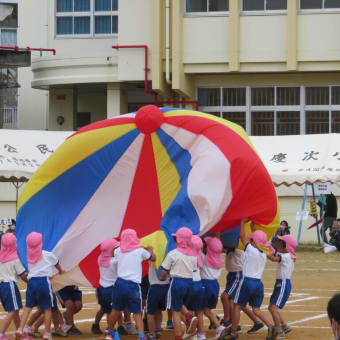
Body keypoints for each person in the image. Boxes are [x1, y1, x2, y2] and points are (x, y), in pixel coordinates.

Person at [226, 219, 276, 340]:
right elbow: (258, 241)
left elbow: (242, 236)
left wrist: (242, 222)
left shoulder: (250, 249)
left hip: (247, 281)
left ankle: (233, 332)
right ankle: (270, 326)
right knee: (256, 309)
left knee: (237, 306)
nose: (250, 240)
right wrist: (253, 228)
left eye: (252, 239)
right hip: (258, 284)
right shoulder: (264, 254)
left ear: (253, 242)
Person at [107, 229, 155, 340]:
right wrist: (151, 251)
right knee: (137, 312)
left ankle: (109, 332)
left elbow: (113, 253)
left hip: (119, 284)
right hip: (133, 286)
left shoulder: (118, 250)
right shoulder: (140, 251)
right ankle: (141, 335)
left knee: (115, 310)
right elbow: (152, 258)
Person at [15, 232, 64, 340]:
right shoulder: (47, 254)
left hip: (31, 282)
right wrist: (60, 271)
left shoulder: (29, 256)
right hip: (44, 283)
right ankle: (47, 333)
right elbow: (56, 263)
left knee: (28, 307)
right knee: (47, 309)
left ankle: (20, 329)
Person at [160, 227, 197, 340]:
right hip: (190, 283)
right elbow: (194, 270)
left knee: (175, 311)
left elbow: (164, 271)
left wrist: (162, 278)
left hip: (177, 282)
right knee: (182, 304)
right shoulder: (193, 254)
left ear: (179, 240)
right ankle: (189, 321)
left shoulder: (173, 253)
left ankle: (179, 336)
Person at [221, 246, 263, 335]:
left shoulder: (239, 249)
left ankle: (227, 320)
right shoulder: (231, 247)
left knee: (225, 296)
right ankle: (256, 322)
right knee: (237, 302)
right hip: (232, 275)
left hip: (237, 275)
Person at [267, 234, 297, 338]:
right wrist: (266, 245)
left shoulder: (285, 256)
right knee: (271, 307)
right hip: (281, 283)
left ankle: (279, 331)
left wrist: (262, 251)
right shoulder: (287, 254)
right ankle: (284, 326)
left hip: (283, 283)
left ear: (286, 245)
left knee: (273, 308)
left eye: (280, 242)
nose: (277, 244)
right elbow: (274, 252)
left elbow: (273, 258)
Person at [0, 233, 28, 340]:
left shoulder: (1, 257)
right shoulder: (15, 259)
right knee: (13, 310)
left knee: (14, 310)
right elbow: (23, 275)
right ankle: (1, 334)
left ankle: (19, 331)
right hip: (10, 285)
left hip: (2, 286)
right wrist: (31, 283)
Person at [200, 236, 226, 340]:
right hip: (215, 285)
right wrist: (218, 235)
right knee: (207, 310)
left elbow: (196, 248)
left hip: (205, 285)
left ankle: (201, 333)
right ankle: (219, 327)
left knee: (200, 311)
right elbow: (215, 246)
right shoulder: (218, 258)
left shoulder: (203, 258)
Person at [146, 252, 170, 340]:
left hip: (155, 287)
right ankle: (158, 329)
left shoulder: (153, 255)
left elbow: (150, 256)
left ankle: (152, 334)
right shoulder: (168, 255)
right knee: (159, 310)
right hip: (166, 286)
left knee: (150, 312)